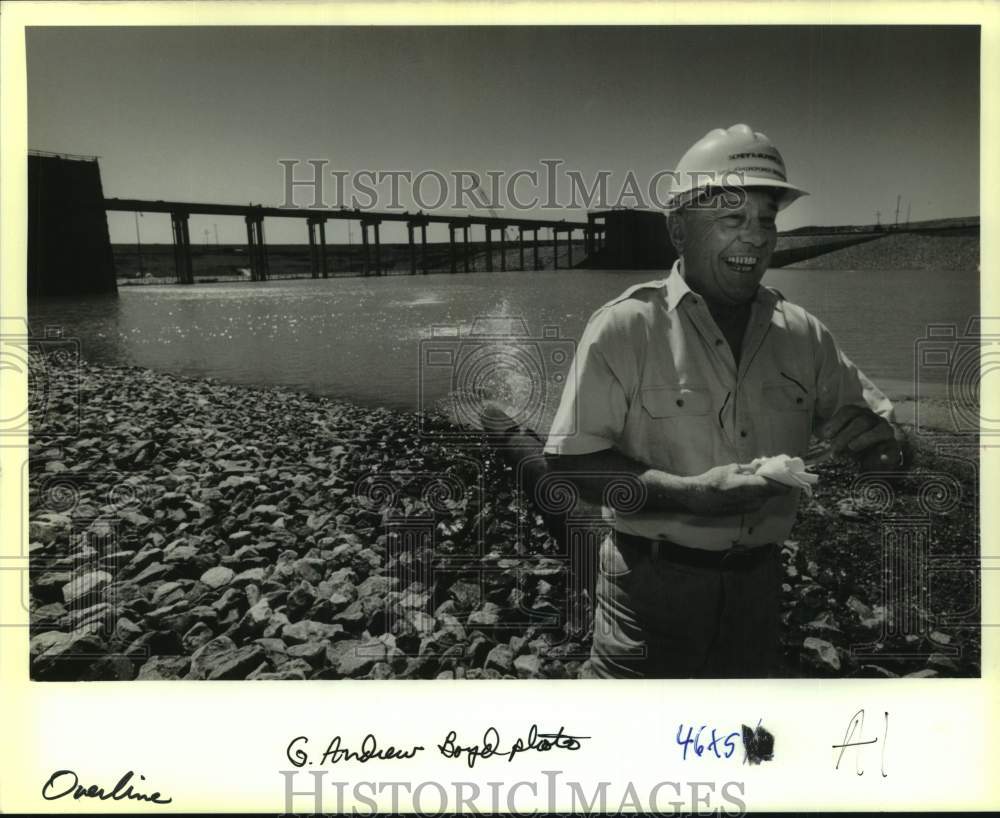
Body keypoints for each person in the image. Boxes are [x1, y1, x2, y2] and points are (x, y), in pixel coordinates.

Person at [543, 124, 907, 678]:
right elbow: (569, 467)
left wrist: (888, 445)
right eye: (732, 219)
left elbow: (889, 447)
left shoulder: (803, 334)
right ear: (678, 230)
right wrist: (691, 496)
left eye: (766, 221)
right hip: (646, 597)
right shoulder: (623, 328)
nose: (756, 238)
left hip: (759, 595)